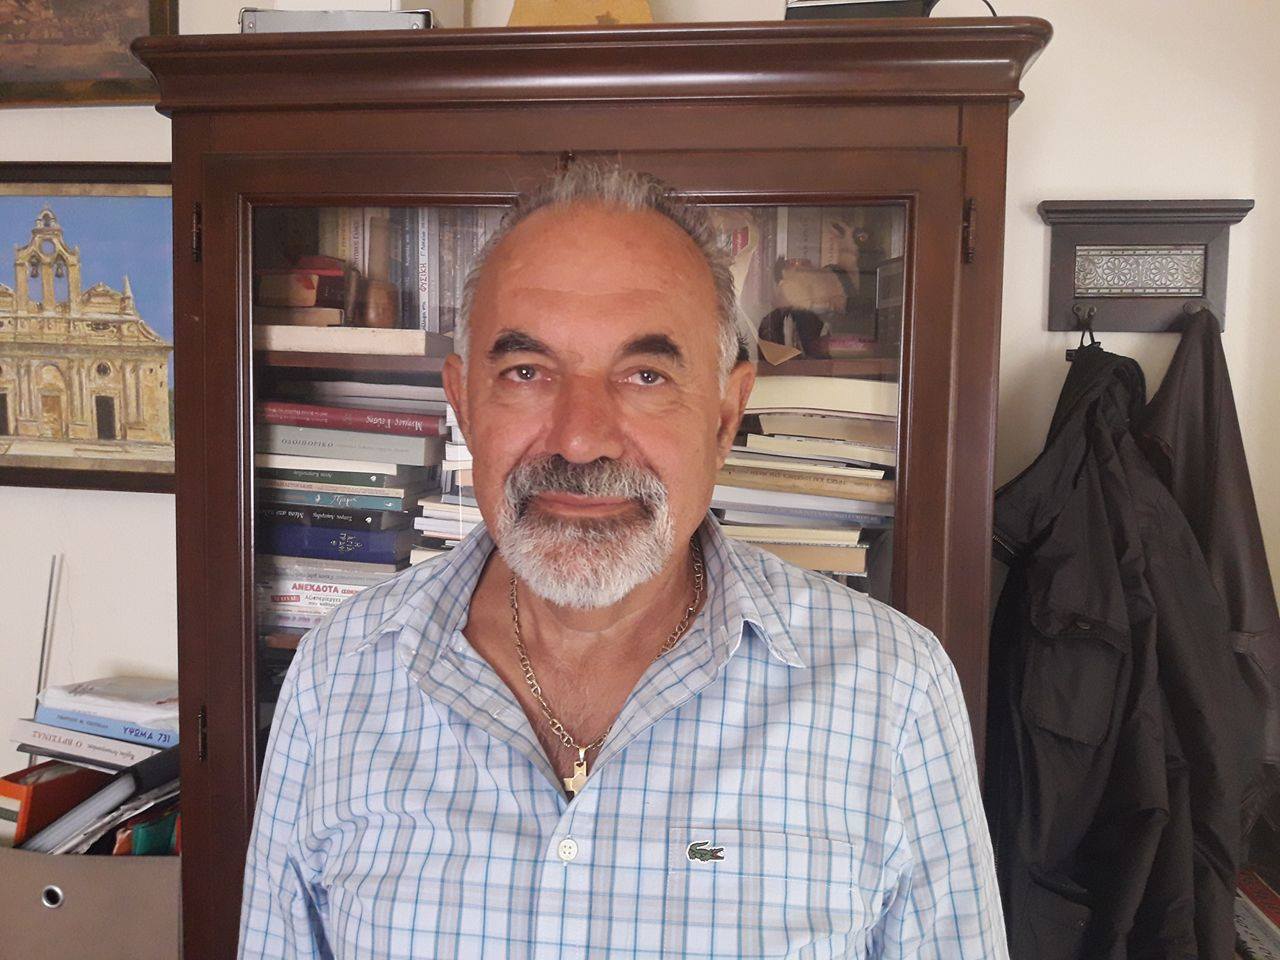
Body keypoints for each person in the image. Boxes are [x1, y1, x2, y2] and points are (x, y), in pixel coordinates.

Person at [238, 164, 1007, 959]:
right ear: (464, 403)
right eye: (527, 373)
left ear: (725, 414)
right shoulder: (338, 675)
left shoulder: (892, 692)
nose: (581, 439)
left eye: (645, 375)